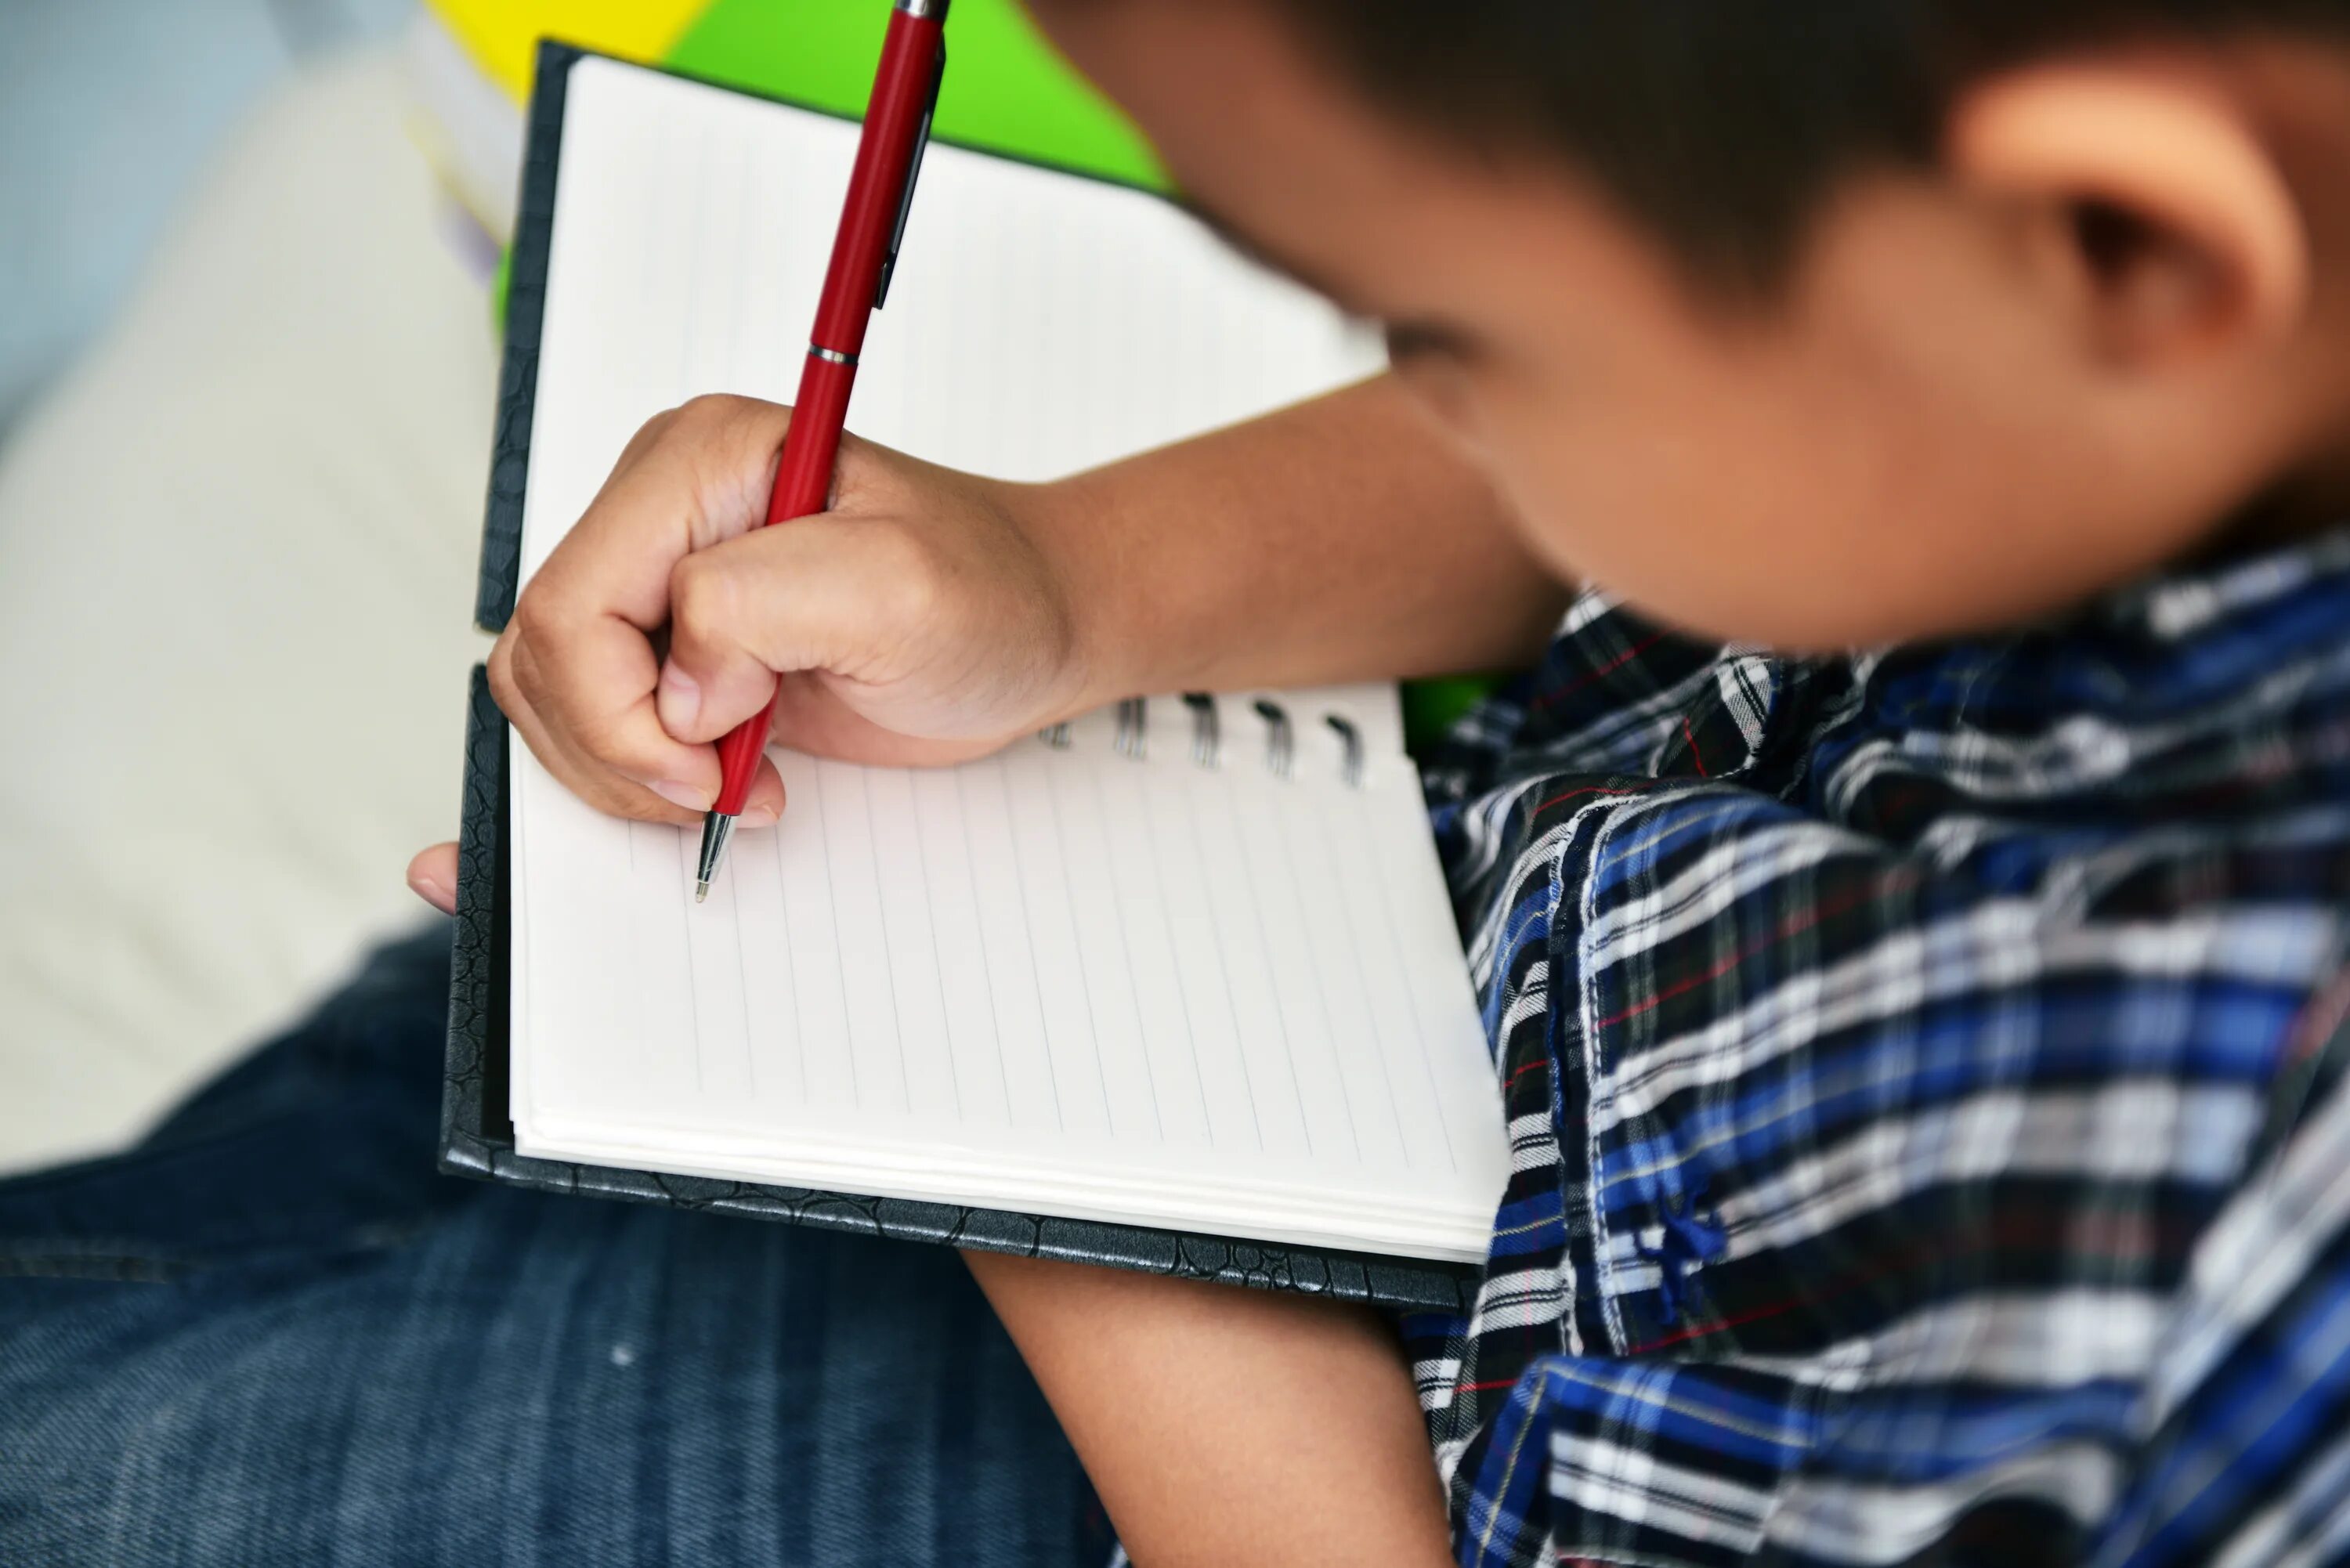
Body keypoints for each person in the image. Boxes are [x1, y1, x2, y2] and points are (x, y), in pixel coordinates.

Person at [16, 2, 2350, 1564]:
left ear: (2127, 243)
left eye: (1443, 330)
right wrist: (1061, 576)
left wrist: (1024, 1144)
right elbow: (1663, 446)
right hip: (1165, 994)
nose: (1428, 373)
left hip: (1189, 1441)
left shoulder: (2245, 1275)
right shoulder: (2053, 319)